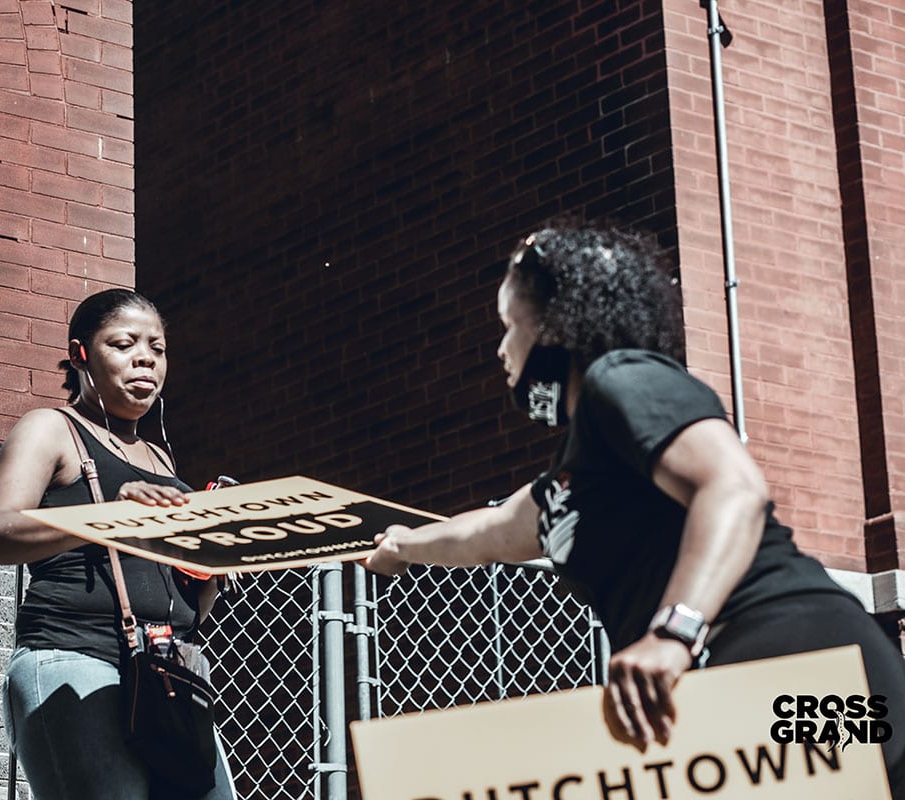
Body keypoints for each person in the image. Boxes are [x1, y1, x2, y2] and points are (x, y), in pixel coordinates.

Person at [364, 224, 905, 794]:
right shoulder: (578, 475)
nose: (501, 349)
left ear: (551, 325)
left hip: (804, 660)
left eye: (508, 326)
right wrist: (402, 546)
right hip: (735, 678)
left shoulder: (623, 377)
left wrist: (674, 631)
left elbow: (733, 487)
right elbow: (493, 530)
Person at [0, 288, 236, 800]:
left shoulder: (162, 460)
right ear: (81, 355)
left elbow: (194, 605)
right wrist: (110, 514)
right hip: (74, 655)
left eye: (157, 349)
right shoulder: (52, 429)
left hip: (167, 672)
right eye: (124, 343)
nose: (145, 358)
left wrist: (210, 563)